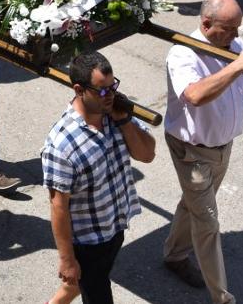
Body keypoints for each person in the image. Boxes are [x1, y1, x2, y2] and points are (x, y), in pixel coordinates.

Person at [161, 0, 243, 301]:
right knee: (207, 223)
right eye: (230, 29)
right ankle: (222, 298)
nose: (236, 36)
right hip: (190, 150)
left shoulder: (236, 48)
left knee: (192, 206)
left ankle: (174, 255)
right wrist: (236, 67)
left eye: (238, 29)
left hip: (223, 147)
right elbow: (194, 95)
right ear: (206, 24)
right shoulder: (183, 53)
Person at [42, 51, 156, 304]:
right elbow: (58, 206)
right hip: (88, 242)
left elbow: (147, 155)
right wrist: (67, 260)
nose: (111, 95)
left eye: (113, 86)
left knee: (85, 280)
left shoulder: (115, 114)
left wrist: (125, 121)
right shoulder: (62, 145)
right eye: (102, 90)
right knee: (95, 289)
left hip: (115, 227)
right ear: (79, 89)